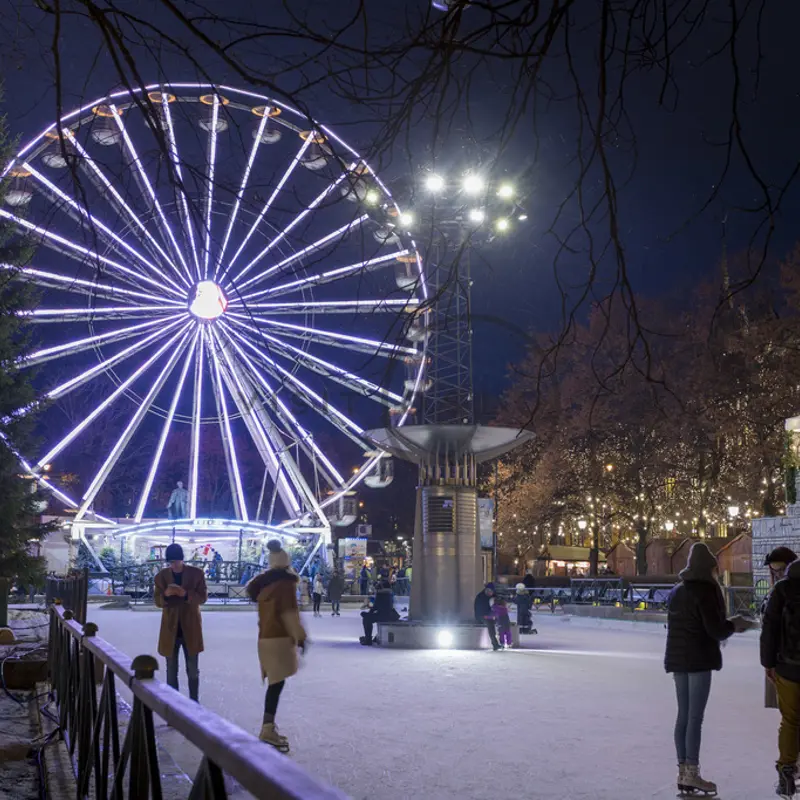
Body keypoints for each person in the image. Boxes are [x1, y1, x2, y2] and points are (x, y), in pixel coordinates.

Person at [664, 541, 751, 796]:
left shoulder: (678, 591)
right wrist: (734, 624)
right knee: (695, 718)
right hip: (699, 659)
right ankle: (692, 773)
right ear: (709, 567)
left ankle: (682, 772)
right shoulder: (706, 591)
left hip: (678, 659)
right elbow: (716, 629)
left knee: (683, 715)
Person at [246, 540, 307, 752]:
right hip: (279, 639)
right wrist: (300, 636)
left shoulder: (265, 586)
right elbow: (289, 614)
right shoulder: (286, 585)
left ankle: (268, 726)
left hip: (265, 638)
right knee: (276, 685)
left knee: (275, 683)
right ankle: (267, 728)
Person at [761, 553, 800, 797]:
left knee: (791, 720)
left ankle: (786, 770)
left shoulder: (781, 590)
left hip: (786, 667)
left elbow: (769, 629)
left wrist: (768, 664)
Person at [154, 543, 208, 702]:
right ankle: (173, 705)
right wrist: (166, 594)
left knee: (192, 671)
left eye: (177, 561)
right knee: (171, 671)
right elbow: (157, 601)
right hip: (170, 629)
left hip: (190, 628)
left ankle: (193, 704)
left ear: (182, 560)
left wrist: (185, 594)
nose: (174, 565)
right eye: (171, 562)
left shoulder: (196, 574)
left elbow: (203, 597)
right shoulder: (161, 576)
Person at [359, 580, 399, 645]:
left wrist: (367, 614)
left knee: (366, 619)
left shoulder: (381, 594)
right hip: (390, 615)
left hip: (383, 616)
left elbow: (375, 607)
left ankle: (368, 639)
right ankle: (371, 638)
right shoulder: (389, 594)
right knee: (367, 616)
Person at [474, 582, 500, 651]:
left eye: (492, 591)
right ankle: (495, 644)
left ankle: (503, 641)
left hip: (490, 615)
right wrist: (489, 616)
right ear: (486, 590)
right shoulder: (480, 597)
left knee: (502, 620)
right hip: (482, 616)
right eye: (489, 591)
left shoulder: (493, 596)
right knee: (490, 623)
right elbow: (479, 611)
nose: (490, 593)